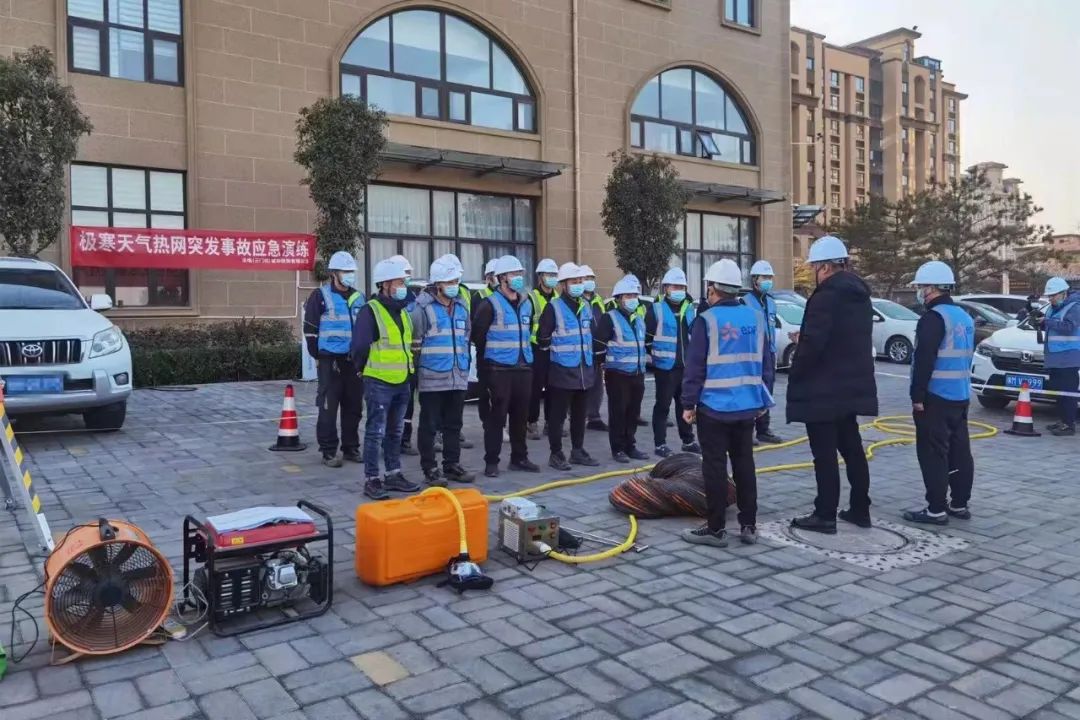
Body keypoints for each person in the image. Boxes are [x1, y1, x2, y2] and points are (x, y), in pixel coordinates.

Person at [787, 235, 878, 534]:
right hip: (850, 387)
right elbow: (844, 337)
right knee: (852, 450)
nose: (814, 273)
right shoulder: (861, 296)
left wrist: (798, 366)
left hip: (823, 390)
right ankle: (860, 509)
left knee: (824, 455)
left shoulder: (825, 296)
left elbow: (815, 344)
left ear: (825, 267)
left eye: (814, 267)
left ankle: (825, 514)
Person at [680, 259, 772, 547]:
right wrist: (763, 398)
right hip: (747, 408)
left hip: (714, 409)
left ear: (712, 289)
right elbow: (766, 362)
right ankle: (748, 525)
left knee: (715, 468)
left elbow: (695, 367)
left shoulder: (706, 320)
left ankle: (716, 529)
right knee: (745, 465)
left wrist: (688, 404)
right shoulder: (755, 318)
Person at [902, 261, 976, 525]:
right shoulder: (964, 317)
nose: (919, 291)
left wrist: (917, 396)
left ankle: (935, 509)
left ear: (931, 288)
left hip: (936, 396)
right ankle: (959, 503)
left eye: (921, 286)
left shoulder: (933, 318)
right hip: (960, 395)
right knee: (960, 452)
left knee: (933, 453)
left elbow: (924, 359)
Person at [353, 258, 422, 500]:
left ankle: (393, 474)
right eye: (399, 282)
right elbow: (360, 345)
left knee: (395, 431)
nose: (404, 287)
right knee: (376, 432)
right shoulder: (370, 310)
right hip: (379, 381)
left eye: (404, 282)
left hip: (402, 380)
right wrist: (361, 369)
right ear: (385, 284)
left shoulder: (402, 312)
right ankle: (371, 479)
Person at [471, 256, 541, 477]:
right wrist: (487, 368)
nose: (518, 278)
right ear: (502, 278)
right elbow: (478, 337)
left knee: (520, 417)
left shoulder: (526, 303)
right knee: (496, 418)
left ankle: (519, 458)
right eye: (514, 274)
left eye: (520, 274)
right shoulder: (489, 304)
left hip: (523, 368)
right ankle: (492, 461)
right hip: (498, 370)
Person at [411, 255, 476, 488]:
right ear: (437, 283)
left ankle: (452, 465)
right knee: (429, 426)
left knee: (454, 425)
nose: (454, 285)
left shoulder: (461, 307)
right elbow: (415, 344)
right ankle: (429, 468)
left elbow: (466, 338)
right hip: (432, 377)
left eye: (456, 281)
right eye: (450, 281)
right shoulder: (422, 308)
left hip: (457, 376)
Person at [303, 251, 365, 468]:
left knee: (354, 407)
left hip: (353, 362)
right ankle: (329, 451)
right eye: (345, 271)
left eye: (351, 271)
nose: (350, 275)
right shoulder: (320, 296)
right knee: (328, 408)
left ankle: (351, 447)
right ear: (334, 273)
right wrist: (319, 356)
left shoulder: (359, 298)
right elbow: (310, 330)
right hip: (330, 361)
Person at [539, 262, 600, 470]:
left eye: (581, 280)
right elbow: (543, 338)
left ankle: (577, 450)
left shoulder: (586, 306)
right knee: (557, 416)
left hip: (584, 370)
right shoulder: (553, 307)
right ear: (563, 284)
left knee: (579, 415)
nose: (579, 284)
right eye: (574, 281)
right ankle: (556, 454)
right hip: (561, 370)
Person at [594, 275, 649, 462]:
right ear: (619, 298)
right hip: (617, 374)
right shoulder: (609, 318)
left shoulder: (638, 318)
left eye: (634, 295)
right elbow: (599, 345)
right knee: (618, 412)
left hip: (637, 372)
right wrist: (603, 366)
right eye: (628, 296)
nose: (632, 299)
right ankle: (617, 448)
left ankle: (630, 445)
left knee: (633, 412)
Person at [647, 267, 700, 457]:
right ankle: (660, 444)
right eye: (675, 286)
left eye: (682, 287)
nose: (679, 290)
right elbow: (647, 338)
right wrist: (655, 357)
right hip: (665, 367)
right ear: (666, 288)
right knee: (662, 406)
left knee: (685, 405)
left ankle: (688, 440)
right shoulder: (656, 309)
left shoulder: (689, 308)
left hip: (686, 366)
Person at [743, 260, 783, 445]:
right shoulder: (745, 302)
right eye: (764, 277)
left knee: (767, 391)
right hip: (753, 353)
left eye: (770, 277)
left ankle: (763, 429)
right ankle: (747, 430)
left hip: (769, 353)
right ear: (754, 280)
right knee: (751, 391)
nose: (768, 281)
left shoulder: (771, 302)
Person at [385, 254, 421, 458]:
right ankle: (388, 442)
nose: (407, 278)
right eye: (404, 274)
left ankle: (405, 439)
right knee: (388, 407)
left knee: (408, 404)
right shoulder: (379, 302)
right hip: (387, 365)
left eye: (408, 274)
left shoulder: (413, 298)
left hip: (409, 360)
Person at [1042, 276, 1080, 436]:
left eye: (1053, 295)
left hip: (1068, 358)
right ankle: (1063, 421)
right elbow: (1052, 326)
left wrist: (1047, 322)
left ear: (1064, 293)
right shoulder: (1053, 308)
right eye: (1049, 296)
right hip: (1055, 357)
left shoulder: (1075, 307)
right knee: (1059, 392)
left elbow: (1069, 327)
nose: (1050, 298)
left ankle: (1069, 425)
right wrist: (1041, 323)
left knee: (1068, 393)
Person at [528, 258, 561, 440]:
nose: (552, 278)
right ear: (540, 277)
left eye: (554, 275)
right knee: (534, 388)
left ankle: (551, 423)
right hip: (536, 349)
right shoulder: (531, 297)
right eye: (549, 274)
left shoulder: (558, 299)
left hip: (554, 349)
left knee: (554, 388)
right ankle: (531, 422)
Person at [580, 265, 609, 432]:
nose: (589, 282)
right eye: (586, 278)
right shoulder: (577, 300)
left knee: (597, 385)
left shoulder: (598, 301)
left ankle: (594, 417)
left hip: (597, 349)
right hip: (581, 350)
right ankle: (578, 416)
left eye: (591, 278)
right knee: (582, 385)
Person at [475, 258, 499, 428]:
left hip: (503, 353)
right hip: (484, 351)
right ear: (489, 277)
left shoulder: (509, 296)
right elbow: (476, 327)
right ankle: (487, 422)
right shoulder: (479, 297)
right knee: (485, 389)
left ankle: (500, 423)